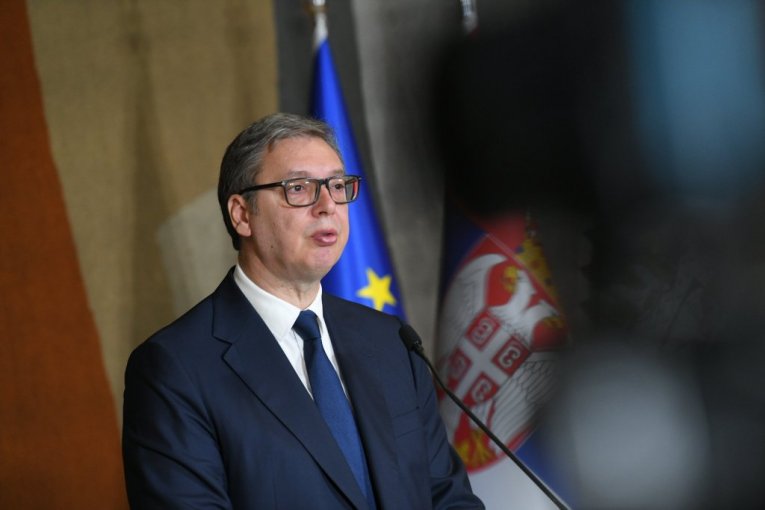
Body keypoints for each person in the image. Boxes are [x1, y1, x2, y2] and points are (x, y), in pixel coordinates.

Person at [122, 113, 483, 509]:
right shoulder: (174, 369)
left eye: (337, 185)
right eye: (298, 188)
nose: (327, 206)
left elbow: (447, 497)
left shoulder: (391, 341)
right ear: (242, 214)